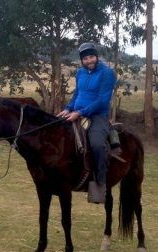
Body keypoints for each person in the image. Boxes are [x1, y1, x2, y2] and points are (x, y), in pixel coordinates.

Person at [56, 42, 117, 204]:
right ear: (81, 60)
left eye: (91, 57)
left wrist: (80, 112)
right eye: (85, 58)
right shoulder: (80, 73)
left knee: (97, 144)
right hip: (75, 112)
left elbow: (102, 100)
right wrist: (68, 108)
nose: (89, 60)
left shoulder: (107, 73)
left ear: (96, 56)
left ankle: (100, 183)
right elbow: (78, 93)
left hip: (97, 116)